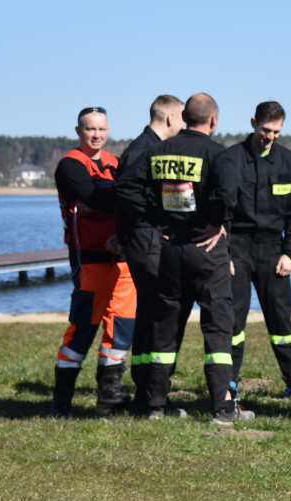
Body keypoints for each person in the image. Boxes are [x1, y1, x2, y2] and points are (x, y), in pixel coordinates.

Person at [116, 93, 248, 424]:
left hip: (170, 248)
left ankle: (155, 405)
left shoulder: (157, 151)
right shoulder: (219, 155)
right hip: (206, 249)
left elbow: (126, 188)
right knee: (217, 327)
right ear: (214, 120)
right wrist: (215, 224)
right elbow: (228, 193)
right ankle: (223, 406)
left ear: (184, 117)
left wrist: (154, 218)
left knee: (165, 326)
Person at [220, 102, 291, 403]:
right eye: (265, 130)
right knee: (234, 321)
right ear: (253, 123)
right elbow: (222, 211)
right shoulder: (231, 159)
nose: (270, 136)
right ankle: (230, 382)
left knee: (281, 321)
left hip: (274, 250)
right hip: (238, 249)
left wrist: (290, 252)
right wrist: (224, 254)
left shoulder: (289, 161)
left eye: (276, 132)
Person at [50, 106, 136, 417]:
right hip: (89, 258)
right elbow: (100, 199)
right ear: (78, 131)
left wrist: (114, 201)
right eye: (90, 129)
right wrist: (123, 196)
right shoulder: (70, 166)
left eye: (101, 129)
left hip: (122, 256)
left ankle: (109, 397)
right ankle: (61, 402)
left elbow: (106, 201)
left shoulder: (115, 162)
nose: (96, 135)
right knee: (84, 326)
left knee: (121, 326)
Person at [115, 95, 187, 413]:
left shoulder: (148, 147)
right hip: (147, 243)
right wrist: (152, 219)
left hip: (144, 239)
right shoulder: (145, 149)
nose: (184, 125)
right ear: (170, 117)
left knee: (148, 316)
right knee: (159, 316)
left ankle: (146, 390)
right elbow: (125, 191)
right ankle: (152, 395)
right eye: (182, 118)